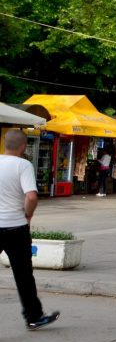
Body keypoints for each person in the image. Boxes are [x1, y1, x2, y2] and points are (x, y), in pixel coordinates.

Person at [0, 129, 60, 330]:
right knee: (24, 275)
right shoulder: (23, 165)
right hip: (16, 227)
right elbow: (32, 196)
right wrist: (28, 215)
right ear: (23, 146)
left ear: (5, 143)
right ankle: (34, 317)